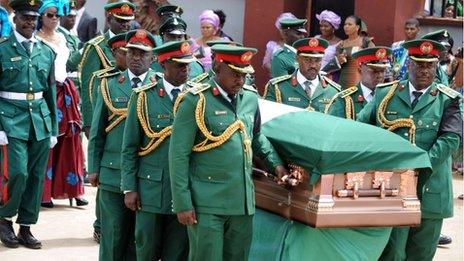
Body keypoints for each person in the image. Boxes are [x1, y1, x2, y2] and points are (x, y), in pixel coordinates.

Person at [169, 44, 288, 260]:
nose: (240, 81)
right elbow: (178, 155)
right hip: (206, 202)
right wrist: (182, 203)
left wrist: (276, 164)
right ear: (218, 67)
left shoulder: (250, 98)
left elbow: (257, 136)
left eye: (244, 75)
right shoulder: (195, 100)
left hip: (241, 203)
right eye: (235, 74)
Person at [357, 39, 462, 260]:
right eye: (419, 65)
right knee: (392, 253)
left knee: (421, 254)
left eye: (430, 65)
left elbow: (451, 138)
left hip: (430, 189)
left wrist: (418, 165)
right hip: (391, 189)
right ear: (409, 65)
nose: (425, 70)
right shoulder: (386, 94)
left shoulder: (447, 99)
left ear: (436, 67)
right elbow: (360, 128)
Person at [121, 39, 193, 261]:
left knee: (178, 252)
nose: (186, 69)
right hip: (150, 189)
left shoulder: (196, 96)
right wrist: (129, 187)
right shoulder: (143, 96)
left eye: (188, 65)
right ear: (163, 65)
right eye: (179, 65)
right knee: (147, 248)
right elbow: (130, 146)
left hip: (183, 191)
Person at [0, 0, 57, 249]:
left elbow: (51, 92)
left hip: (40, 121)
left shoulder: (46, 51)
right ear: (15, 19)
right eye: (25, 18)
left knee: (35, 177)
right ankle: (4, 218)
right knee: (18, 173)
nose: (30, 23)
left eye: (34, 19)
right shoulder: (2, 49)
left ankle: (26, 227)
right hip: (10, 118)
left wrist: (54, 128)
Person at [79, 0, 135, 243]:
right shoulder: (97, 47)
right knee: (106, 174)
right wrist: (90, 122)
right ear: (108, 19)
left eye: (127, 21)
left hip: (130, 119)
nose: (124, 25)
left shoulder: (136, 43)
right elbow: (89, 85)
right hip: (107, 119)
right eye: (119, 21)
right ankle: (101, 223)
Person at [88, 31, 137, 261]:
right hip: (112, 169)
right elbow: (97, 131)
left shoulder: (158, 86)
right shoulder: (108, 85)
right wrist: (94, 167)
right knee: (112, 234)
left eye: (138, 53)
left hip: (144, 174)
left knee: (137, 238)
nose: (133, 57)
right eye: (129, 53)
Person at [37, 0, 86, 208]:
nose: (55, 18)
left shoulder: (66, 37)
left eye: (57, 15)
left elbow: (68, 65)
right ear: (41, 16)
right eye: (50, 15)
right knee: (49, 140)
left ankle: (74, 190)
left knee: (71, 139)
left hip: (66, 92)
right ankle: (44, 192)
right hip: (46, 92)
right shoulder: (36, 39)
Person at [264, 37, 340, 112]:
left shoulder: (333, 90)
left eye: (317, 60)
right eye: (307, 60)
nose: (313, 65)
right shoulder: (278, 87)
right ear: (297, 58)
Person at [325, 47, 391, 119]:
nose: (380, 76)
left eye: (383, 71)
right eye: (374, 71)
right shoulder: (344, 100)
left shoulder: (391, 97)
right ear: (360, 70)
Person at [336, 15, 375, 88]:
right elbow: (335, 64)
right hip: (343, 80)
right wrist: (338, 60)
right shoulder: (341, 44)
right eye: (345, 24)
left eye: (349, 24)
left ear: (357, 27)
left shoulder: (366, 42)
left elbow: (374, 60)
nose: (346, 27)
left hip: (360, 80)